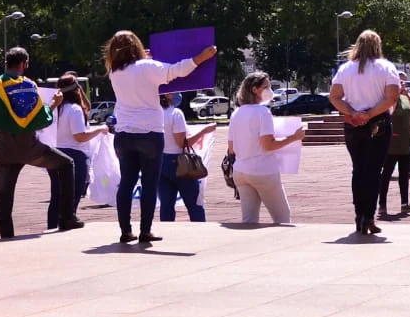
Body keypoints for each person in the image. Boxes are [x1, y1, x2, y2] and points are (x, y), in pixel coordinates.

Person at [105, 30, 217, 245]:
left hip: (124, 133)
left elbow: (135, 73)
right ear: (136, 46)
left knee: (127, 183)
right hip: (149, 133)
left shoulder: (114, 72)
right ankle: (145, 231)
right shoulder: (148, 67)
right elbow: (177, 71)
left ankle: (125, 230)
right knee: (149, 184)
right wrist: (201, 57)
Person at [0, 47, 84, 239]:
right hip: (29, 148)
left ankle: (6, 236)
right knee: (66, 164)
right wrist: (53, 104)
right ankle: (67, 218)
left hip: (4, 150)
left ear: (7, 63)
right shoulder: (28, 86)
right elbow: (41, 119)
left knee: (4, 196)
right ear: (23, 64)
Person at [329, 30, 402, 235]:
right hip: (378, 121)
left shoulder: (345, 68)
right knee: (373, 171)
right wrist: (369, 114)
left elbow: (334, 97)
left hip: (352, 123)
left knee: (358, 169)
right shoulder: (386, 67)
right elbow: (391, 98)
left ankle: (359, 214)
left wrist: (353, 112)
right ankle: (368, 216)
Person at [227, 71, 304, 224]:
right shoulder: (263, 112)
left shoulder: (236, 113)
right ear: (255, 89)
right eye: (266, 87)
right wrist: (293, 138)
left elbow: (231, 148)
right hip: (263, 171)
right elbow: (268, 145)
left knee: (248, 220)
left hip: (240, 171)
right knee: (282, 218)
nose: (270, 91)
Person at [47, 73, 108, 230]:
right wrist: (100, 130)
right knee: (72, 194)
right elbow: (80, 136)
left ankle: (53, 225)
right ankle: (68, 220)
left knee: (56, 196)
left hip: (54, 153)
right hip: (74, 154)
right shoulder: (74, 109)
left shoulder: (53, 108)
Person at [158, 93, 215, 223]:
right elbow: (182, 143)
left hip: (160, 161)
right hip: (179, 162)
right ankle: (199, 232)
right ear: (168, 95)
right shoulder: (175, 113)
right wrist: (204, 131)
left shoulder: (154, 114)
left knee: (166, 205)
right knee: (194, 204)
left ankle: (167, 234)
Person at [380, 74, 410, 217]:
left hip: (405, 143)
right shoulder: (387, 101)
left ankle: (405, 204)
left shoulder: (405, 99)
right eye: (399, 83)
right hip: (390, 144)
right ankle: (382, 205)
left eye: (403, 83)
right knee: (386, 175)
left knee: (404, 175)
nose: (402, 85)